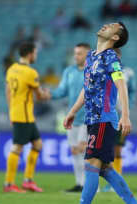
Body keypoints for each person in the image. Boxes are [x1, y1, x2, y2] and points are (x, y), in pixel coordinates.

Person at [64, 22, 137, 204]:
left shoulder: (110, 57)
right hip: (93, 120)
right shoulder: (91, 56)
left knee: (90, 163)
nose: (106, 25)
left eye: (113, 26)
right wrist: (73, 111)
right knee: (105, 168)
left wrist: (126, 115)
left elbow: (121, 85)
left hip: (104, 119)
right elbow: (86, 87)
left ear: (115, 37)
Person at [4, 42, 51, 193]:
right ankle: (9, 183)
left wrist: (11, 110)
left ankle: (28, 181)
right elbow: (39, 96)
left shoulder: (11, 69)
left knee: (37, 145)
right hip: (23, 115)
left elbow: (8, 91)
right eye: (35, 53)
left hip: (20, 113)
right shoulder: (31, 73)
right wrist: (47, 94)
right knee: (17, 147)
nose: (36, 56)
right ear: (30, 54)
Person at [51, 43, 91, 193]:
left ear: (87, 55)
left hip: (88, 118)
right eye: (75, 53)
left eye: (79, 53)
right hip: (72, 118)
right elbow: (62, 90)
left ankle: (91, 184)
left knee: (84, 150)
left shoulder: (92, 72)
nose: (76, 56)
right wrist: (49, 94)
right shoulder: (69, 71)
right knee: (75, 151)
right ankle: (80, 184)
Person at [101, 48, 137, 193]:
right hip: (107, 114)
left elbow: (132, 90)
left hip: (121, 115)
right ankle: (111, 181)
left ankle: (116, 181)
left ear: (120, 56)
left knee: (117, 149)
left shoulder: (128, 72)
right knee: (106, 149)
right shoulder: (103, 71)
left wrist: (128, 107)